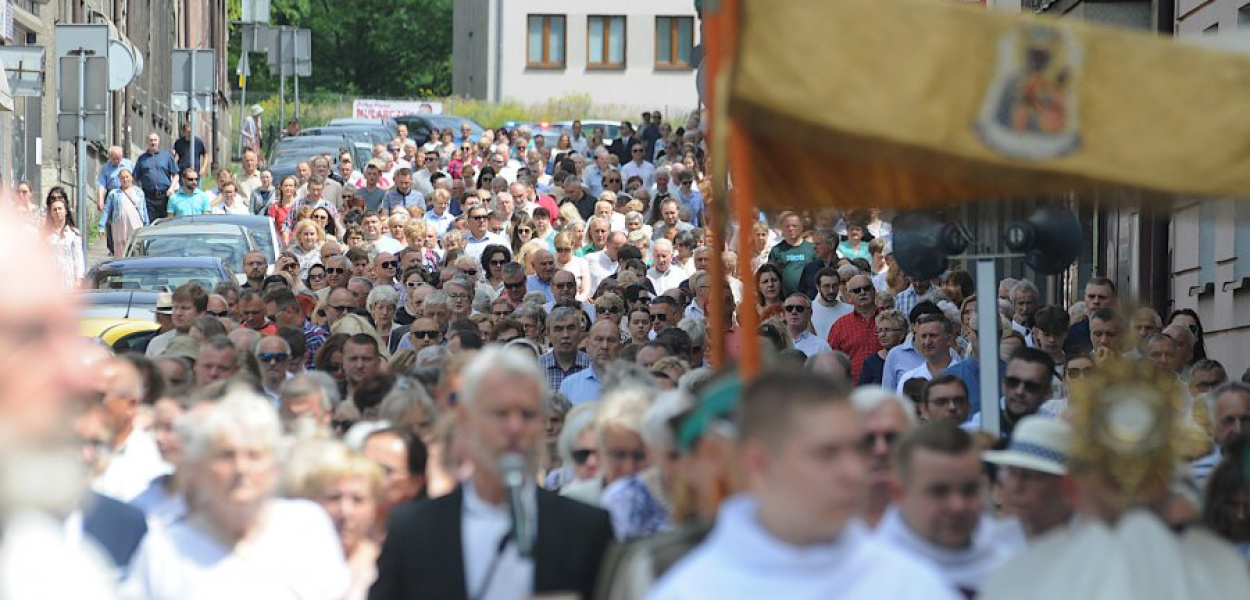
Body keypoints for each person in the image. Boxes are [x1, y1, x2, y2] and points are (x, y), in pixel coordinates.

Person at [647, 372, 957, 600]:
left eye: (856, 449)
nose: (853, 472)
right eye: (826, 454)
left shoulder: (911, 584)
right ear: (759, 464)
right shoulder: (691, 591)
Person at [370, 347, 614, 600]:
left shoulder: (584, 527)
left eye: (527, 414)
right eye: (500, 413)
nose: (514, 427)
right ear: (466, 419)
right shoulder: (413, 530)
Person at [122, 391, 350, 599]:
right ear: (201, 468)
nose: (241, 468)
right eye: (226, 455)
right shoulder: (166, 547)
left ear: (275, 467)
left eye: (254, 455)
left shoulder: (305, 526)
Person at [876, 422, 1026, 596]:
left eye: (969, 490)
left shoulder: (1012, 567)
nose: (958, 506)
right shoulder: (870, 578)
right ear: (899, 493)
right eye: (939, 492)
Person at [982, 416, 1076, 540]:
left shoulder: (1091, 548)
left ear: (1065, 485)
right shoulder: (992, 543)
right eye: (1011, 472)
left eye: (1030, 476)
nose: (1016, 486)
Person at [965, 347, 1055, 438]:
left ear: (1047, 392)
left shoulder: (1054, 433)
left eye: (1031, 386)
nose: (1019, 391)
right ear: (1003, 384)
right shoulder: (981, 425)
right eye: (1013, 382)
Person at [559, 320, 622, 404]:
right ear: (588, 346)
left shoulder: (633, 386)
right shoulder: (569, 385)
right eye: (599, 339)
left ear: (620, 348)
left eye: (611, 340)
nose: (605, 346)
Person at [134, 132, 181, 219]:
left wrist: (171, 188)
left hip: (165, 196)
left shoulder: (166, 156)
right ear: (147, 142)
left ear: (158, 142)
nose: (153, 142)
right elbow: (135, 178)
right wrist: (139, 191)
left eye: (155, 140)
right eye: (151, 140)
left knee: (166, 223)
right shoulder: (141, 159)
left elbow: (176, 175)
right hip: (148, 197)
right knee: (150, 224)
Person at [767, 212, 815, 297]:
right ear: (782, 229)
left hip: (809, 298)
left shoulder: (812, 249)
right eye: (787, 226)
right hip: (785, 299)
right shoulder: (776, 250)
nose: (791, 228)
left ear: (801, 228)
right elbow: (771, 274)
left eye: (794, 225)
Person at [45, 187, 85, 288]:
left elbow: (78, 258)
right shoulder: (47, 234)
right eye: (54, 209)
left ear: (66, 211)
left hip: (68, 277)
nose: (57, 212)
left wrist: (79, 279)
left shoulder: (73, 234)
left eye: (60, 209)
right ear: (51, 213)